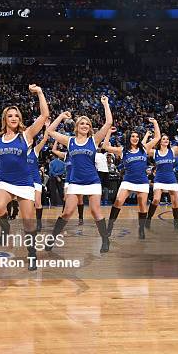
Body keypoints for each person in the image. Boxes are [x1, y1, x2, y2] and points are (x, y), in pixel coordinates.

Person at [0, 85, 50, 271]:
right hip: (5, 182)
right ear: (5, 119)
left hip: (25, 183)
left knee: (28, 222)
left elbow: (43, 116)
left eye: (16, 115)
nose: (14, 118)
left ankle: (31, 254)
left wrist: (40, 92)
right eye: (10, 115)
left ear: (20, 119)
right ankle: (6, 227)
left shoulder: (26, 135)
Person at [45, 96, 113, 253]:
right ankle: (52, 238)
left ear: (90, 128)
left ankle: (105, 240)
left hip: (92, 181)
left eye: (87, 124)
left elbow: (108, 123)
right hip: (75, 182)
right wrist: (61, 116)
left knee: (96, 211)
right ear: (76, 126)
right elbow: (49, 131)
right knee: (67, 212)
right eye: (82, 123)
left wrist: (105, 104)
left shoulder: (94, 140)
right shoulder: (69, 141)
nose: (85, 125)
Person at [103, 118, 160, 239]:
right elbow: (105, 146)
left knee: (142, 206)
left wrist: (155, 123)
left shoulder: (144, 148)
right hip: (128, 181)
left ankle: (141, 229)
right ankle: (109, 228)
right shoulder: (123, 150)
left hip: (142, 181)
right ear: (129, 138)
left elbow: (157, 138)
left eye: (137, 136)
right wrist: (108, 132)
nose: (135, 138)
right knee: (118, 202)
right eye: (133, 136)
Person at [146, 125, 178, 229]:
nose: (166, 140)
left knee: (175, 202)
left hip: (171, 179)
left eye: (167, 139)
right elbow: (145, 148)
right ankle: (148, 218)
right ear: (160, 142)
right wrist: (152, 137)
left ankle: (176, 222)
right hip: (159, 179)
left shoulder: (173, 151)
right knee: (156, 200)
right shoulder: (155, 152)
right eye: (163, 139)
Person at [51, 142, 84, 225]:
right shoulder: (66, 155)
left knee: (80, 200)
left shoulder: (80, 155)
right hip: (68, 180)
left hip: (78, 180)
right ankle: (63, 218)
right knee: (65, 198)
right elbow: (53, 150)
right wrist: (56, 141)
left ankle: (81, 218)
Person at [27, 121, 50, 231]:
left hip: (35, 180)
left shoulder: (34, 151)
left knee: (37, 202)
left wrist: (47, 127)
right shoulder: (18, 151)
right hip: (24, 181)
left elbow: (44, 140)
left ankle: (39, 223)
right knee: (27, 205)